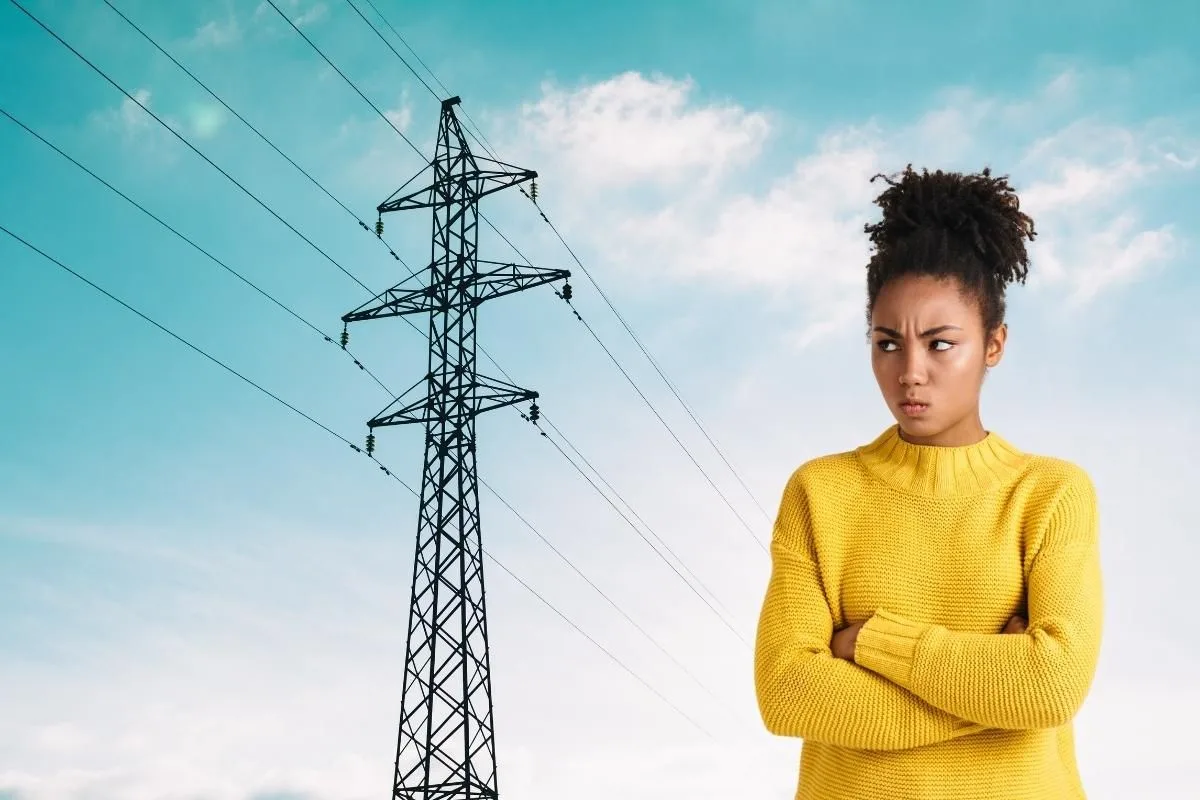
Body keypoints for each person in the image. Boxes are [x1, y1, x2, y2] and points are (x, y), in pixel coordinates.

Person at [753, 165, 1104, 799]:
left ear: (993, 344)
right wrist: (999, 695)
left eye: (941, 344)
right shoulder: (820, 492)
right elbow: (786, 693)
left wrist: (872, 643)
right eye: (888, 344)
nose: (910, 372)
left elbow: (1055, 682)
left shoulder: (1050, 494)